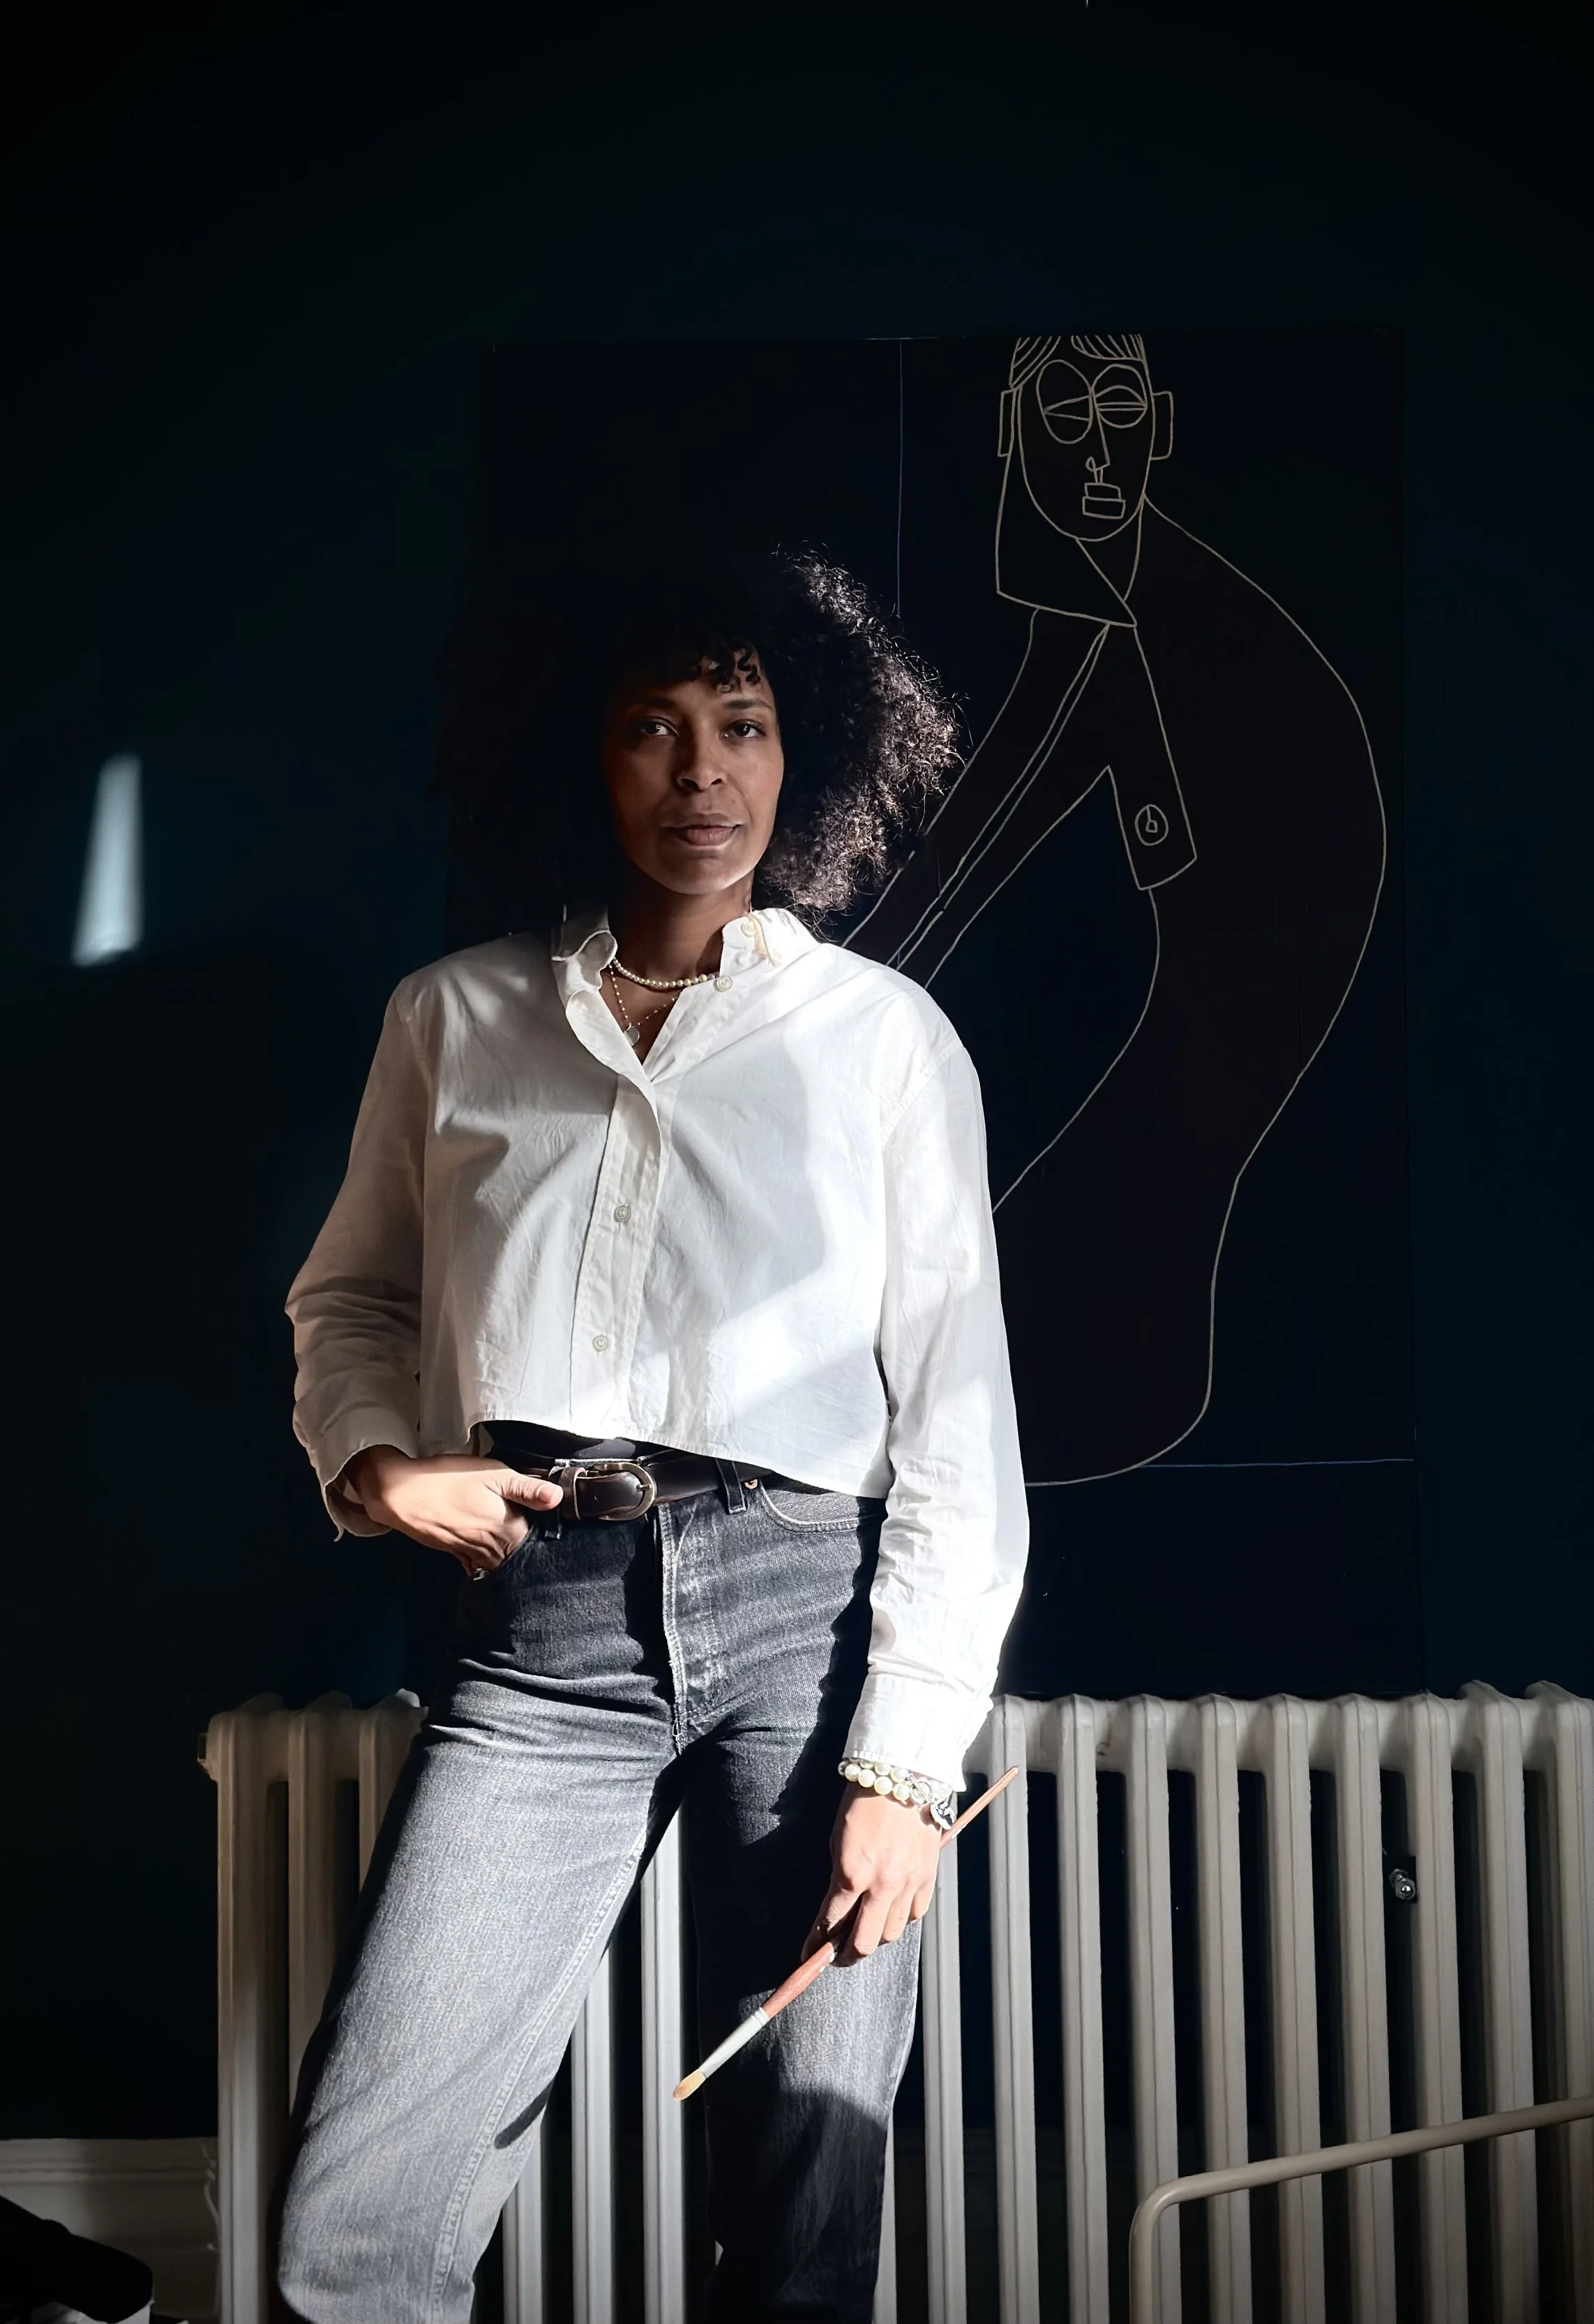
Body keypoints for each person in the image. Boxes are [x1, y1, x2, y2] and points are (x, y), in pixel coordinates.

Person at [276, 547, 1028, 2323]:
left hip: (810, 1621)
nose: (703, 772)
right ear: (579, 754)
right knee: (360, 2206)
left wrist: (904, 1771)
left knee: (801, 2194)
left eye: (742, 725)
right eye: (652, 728)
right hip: (535, 1626)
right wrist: (378, 1468)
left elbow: (958, 1419)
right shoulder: (450, 1018)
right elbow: (351, 1301)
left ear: (805, 751)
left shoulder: (883, 1043)